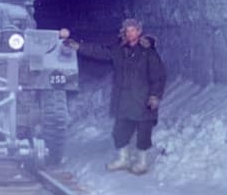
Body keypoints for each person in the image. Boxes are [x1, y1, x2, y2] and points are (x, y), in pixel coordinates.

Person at [63, 19, 166, 174]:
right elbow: (99, 51)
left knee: (144, 132)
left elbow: (159, 75)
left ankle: (142, 162)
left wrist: (155, 96)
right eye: (127, 30)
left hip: (143, 99)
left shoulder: (148, 52)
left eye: (133, 30)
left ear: (139, 32)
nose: (130, 33)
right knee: (119, 131)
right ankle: (123, 159)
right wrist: (78, 46)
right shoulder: (119, 50)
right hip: (124, 99)